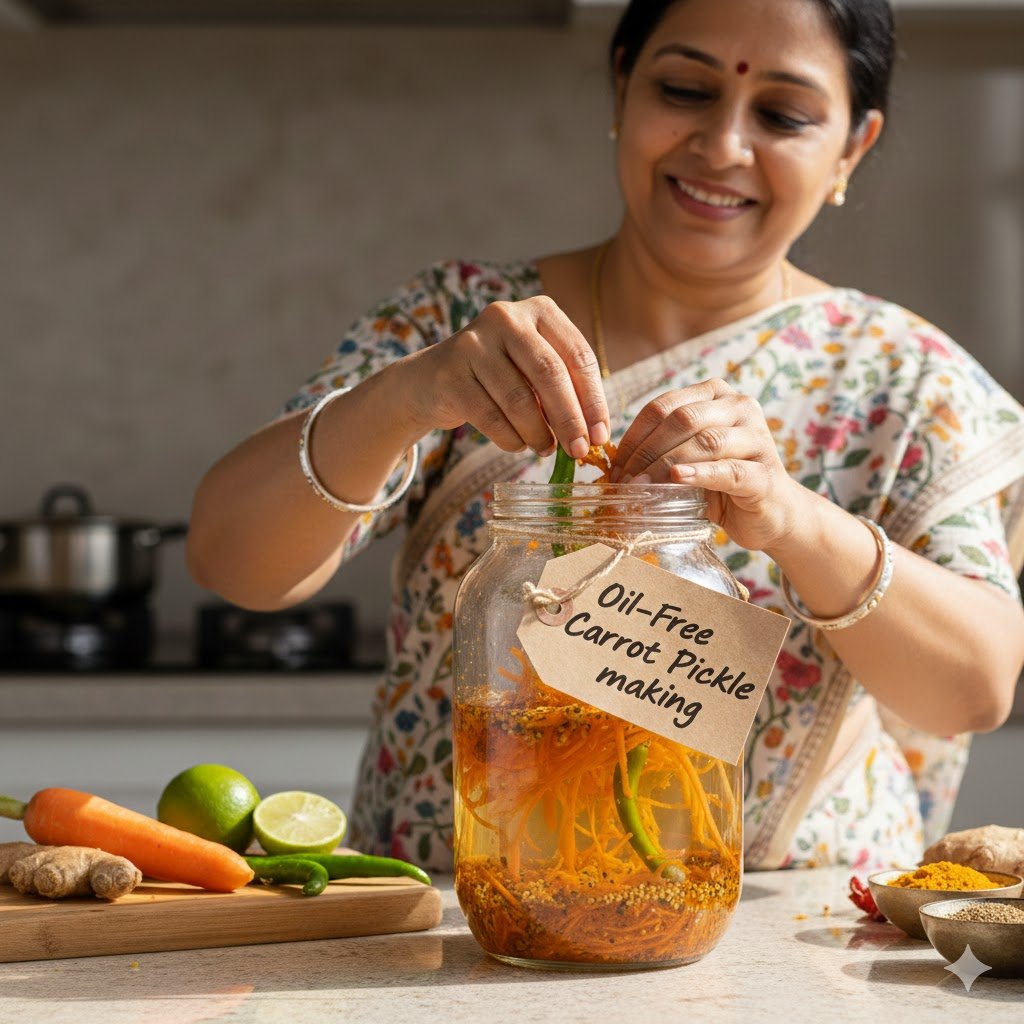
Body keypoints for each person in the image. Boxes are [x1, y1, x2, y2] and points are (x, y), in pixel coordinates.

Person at [187, 0, 1024, 873]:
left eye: (782, 115)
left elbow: (975, 688)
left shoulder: (905, 378)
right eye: (685, 89)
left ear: (852, 146)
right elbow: (231, 562)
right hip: (454, 923)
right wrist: (407, 395)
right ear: (623, 84)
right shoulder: (457, 324)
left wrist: (789, 519)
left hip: (791, 946)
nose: (724, 146)